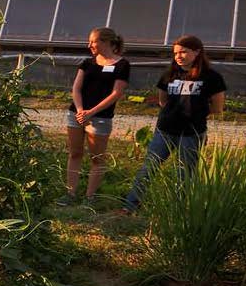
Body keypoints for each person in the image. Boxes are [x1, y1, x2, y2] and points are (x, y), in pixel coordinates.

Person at [123, 35, 226, 213]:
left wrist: (195, 114)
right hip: (165, 130)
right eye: (176, 53)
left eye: (183, 52)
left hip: (191, 133)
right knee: (149, 168)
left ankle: (177, 212)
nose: (179, 56)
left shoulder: (212, 77)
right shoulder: (169, 74)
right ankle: (130, 206)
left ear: (197, 52)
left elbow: (217, 107)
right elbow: (163, 100)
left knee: (184, 173)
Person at [59, 28, 131, 206]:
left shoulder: (122, 65)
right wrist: (80, 110)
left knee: (97, 158)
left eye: (93, 42)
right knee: (75, 153)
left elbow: (116, 93)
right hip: (76, 115)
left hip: (100, 118)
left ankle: (90, 197)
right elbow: (76, 89)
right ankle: (70, 193)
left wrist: (91, 112)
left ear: (106, 42)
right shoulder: (87, 63)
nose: (89, 45)